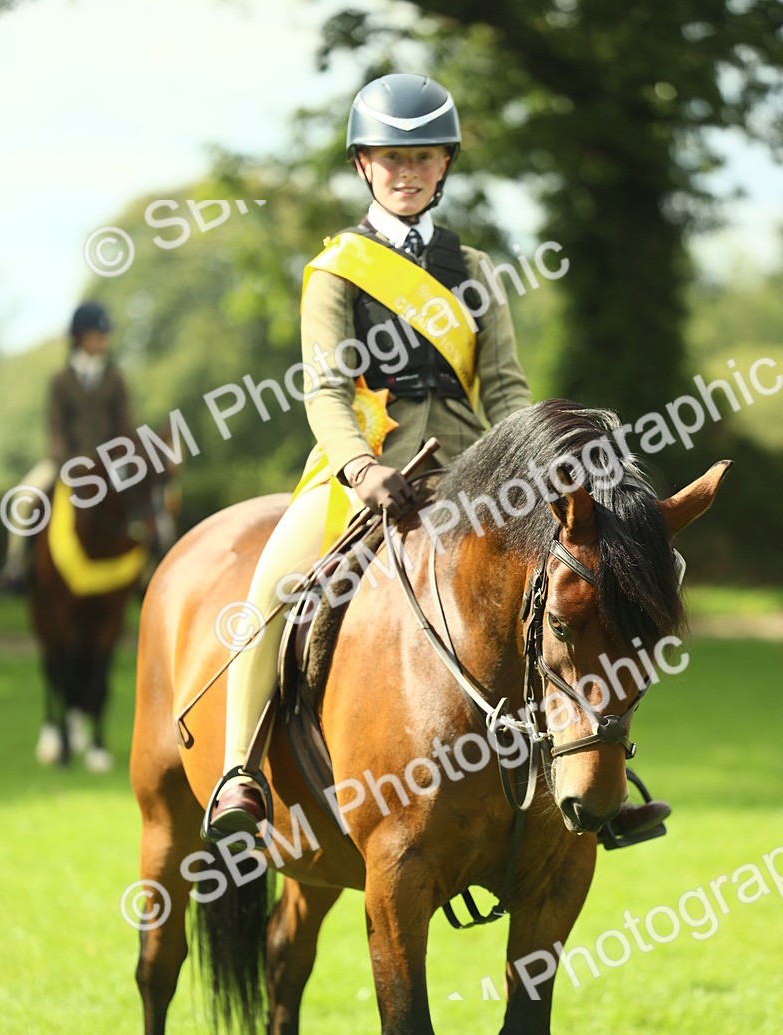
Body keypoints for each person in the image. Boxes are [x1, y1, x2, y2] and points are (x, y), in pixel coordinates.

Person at [204, 73, 670, 842]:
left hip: (474, 475)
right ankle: (238, 774)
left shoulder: (477, 271)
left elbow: (508, 392)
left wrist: (542, 469)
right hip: (365, 471)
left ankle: (601, 774)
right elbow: (323, 392)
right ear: (364, 166)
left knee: (579, 589)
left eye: (423, 156)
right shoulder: (334, 272)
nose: (407, 170)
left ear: (445, 165)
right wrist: (360, 468)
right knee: (273, 588)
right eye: (391, 157)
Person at [0, 301, 134, 588]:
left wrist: (116, 459)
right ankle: (16, 565)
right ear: (81, 338)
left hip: (108, 464)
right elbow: (55, 427)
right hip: (65, 462)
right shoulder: (60, 381)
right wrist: (68, 463)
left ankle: (147, 567)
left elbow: (124, 425)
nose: (104, 341)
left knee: (145, 501)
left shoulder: (115, 379)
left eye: (105, 335)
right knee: (24, 501)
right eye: (99, 335)